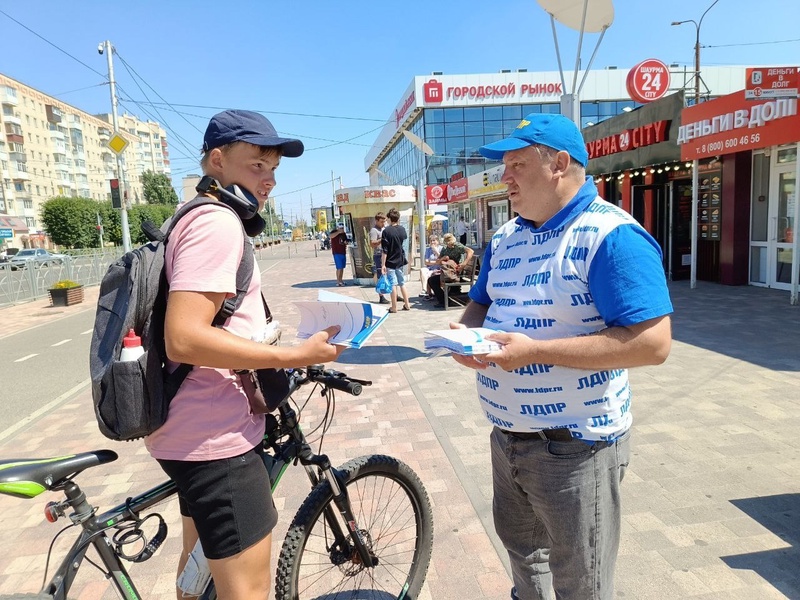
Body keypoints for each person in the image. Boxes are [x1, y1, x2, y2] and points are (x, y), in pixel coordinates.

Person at [451, 113, 673, 600]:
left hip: (576, 448)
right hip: (507, 437)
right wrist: (465, 335)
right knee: (524, 562)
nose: (503, 177)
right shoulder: (507, 237)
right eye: (502, 166)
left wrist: (537, 352)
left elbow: (653, 343)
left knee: (581, 581)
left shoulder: (611, 236)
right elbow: (481, 301)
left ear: (560, 164)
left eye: (516, 165)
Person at [145, 109, 344, 600]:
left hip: (186, 431)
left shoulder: (192, 216)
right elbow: (185, 338)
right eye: (257, 165)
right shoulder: (218, 224)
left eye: (273, 170)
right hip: (217, 439)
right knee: (248, 591)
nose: (269, 180)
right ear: (217, 160)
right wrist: (294, 356)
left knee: (199, 576)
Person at [427, 233, 473, 307]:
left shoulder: (457, 246)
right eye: (448, 243)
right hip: (449, 272)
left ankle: (444, 301)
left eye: (451, 242)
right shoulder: (445, 249)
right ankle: (445, 299)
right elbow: (438, 261)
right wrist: (443, 258)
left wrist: (464, 264)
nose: (451, 244)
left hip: (457, 273)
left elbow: (470, 251)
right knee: (432, 280)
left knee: (433, 280)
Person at [380, 207, 410, 313]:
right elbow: (403, 240)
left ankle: (394, 307)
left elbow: (385, 250)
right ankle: (407, 304)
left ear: (389, 218)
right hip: (400, 259)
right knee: (402, 283)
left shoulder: (386, 231)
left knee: (393, 284)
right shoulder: (402, 229)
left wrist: (383, 265)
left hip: (390, 261)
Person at [369, 212, 389, 304]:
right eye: (381, 222)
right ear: (376, 221)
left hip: (386, 253)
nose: (383, 223)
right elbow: (372, 244)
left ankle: (394, 294)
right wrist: (382, 239)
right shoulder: (374, 230)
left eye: (384, 221)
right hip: (378, 254)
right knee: (380, 275)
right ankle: (381, 296)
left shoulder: (384, 228)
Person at [420, 235, 442, 300]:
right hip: (430, 269)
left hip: (439, 269)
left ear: (438, 241)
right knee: (422, 270)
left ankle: (429, 293)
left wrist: (436, 251)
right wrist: (436, 262)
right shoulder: (428, 250)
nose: (432, 242)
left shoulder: (441, 249)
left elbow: (442, 260)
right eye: (431, 241)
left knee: (428, 275)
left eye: (434, 240)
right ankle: (424, 289)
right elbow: (426, 262)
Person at [330, 221, 348, 286]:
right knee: (339, 267)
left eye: (342, 228)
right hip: (337, 252)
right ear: (337, 227)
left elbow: (346, 241)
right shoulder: (334, 232)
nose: (341, 229)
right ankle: (338, 281)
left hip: (343, 252)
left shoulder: (343, 234)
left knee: (342, 267)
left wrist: (346, 242)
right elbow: (331, 236)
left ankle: (341, 280)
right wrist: (338, 232)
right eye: (340, 228)